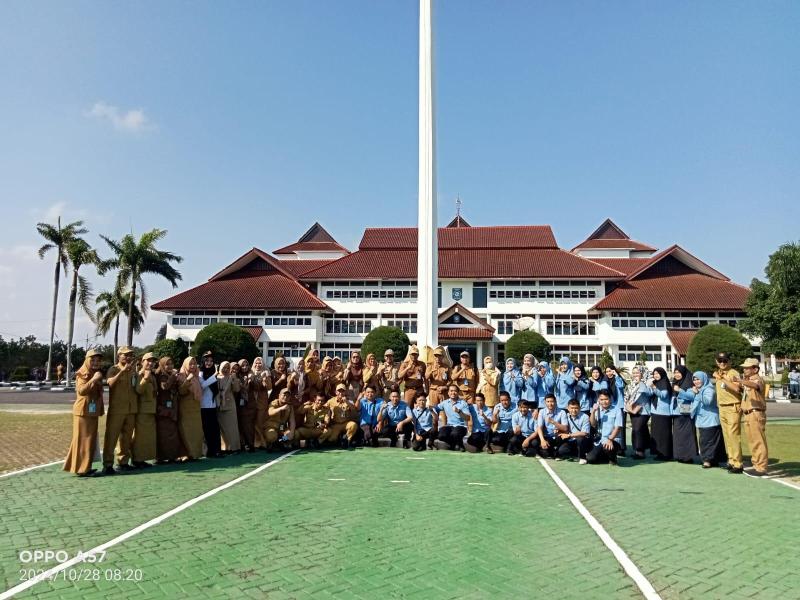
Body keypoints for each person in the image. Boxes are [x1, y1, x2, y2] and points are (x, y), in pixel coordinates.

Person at [63, 349, 104, 477]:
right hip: (83, 412)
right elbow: (81, 391)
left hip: (92, 411)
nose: (96, 363)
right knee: (83, 440)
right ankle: (82, 469)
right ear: (87, 360)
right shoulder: (82, 373)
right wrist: (94, 380)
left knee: (89, 440)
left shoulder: (94, 373)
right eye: (93, 360)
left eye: (98, 360)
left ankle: (85, 467)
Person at [729, 358, 768, 477]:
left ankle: (761, 467)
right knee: (752, 441)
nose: (745, 370)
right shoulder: (747, 380)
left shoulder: (757, 379)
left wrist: (740, 380)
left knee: (758, 441)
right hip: (748, 413)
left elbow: (755, 385)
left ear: (755, 369)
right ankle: (756, 465)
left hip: (756, 413)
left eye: (747, 368)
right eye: (744, 368)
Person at [103, 346, 139, 475]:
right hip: (117, 410)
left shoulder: (133, 370)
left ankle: (123, 462)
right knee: (111, 437)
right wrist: (122, 372)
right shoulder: (113, 369)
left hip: (131, 409)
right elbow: (110, 383)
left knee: (126, 437)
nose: (128, 357)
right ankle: (108, 464)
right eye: (125, 355)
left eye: (130, 355)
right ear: (119, 356)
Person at [713, 352, 744, 474]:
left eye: (725, 361)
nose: (722, 363)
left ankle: (738, 463)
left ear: (729, 361)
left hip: (732, 406)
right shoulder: (719, 373)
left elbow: (737, 388)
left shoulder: (733, 373)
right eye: (720, 361)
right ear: (716, 362)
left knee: (733, 435)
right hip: (722, 407)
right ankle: (731, 460)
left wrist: (721, 378)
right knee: (727, 436)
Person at [688, 371, 727, 469]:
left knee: (707, 442)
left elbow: (707, 402)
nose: (696, 381)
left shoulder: (709, 389)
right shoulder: (699, 389)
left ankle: (707, 460)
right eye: (694, 380)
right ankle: (712, 460)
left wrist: (698, 393)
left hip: (710, 420)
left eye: (698, 379)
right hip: (702, 420)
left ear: (704, 379)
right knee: (705, 441)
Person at [132, 352, 158, 468]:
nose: (151, 363)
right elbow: (139, 390)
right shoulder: (139, 375)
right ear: (142, 362)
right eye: (148, 361)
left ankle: (142, 458)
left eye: (153, 361)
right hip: (142, 410)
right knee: (140, 436)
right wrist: (145, 378)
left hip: (151, 410)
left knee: (147, 436)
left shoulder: (152, 375)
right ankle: (137, 459)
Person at [154, 356, 181, 463]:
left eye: (171, 364)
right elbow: (164, 387)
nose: (170, 366)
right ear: (162, 365)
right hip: (163, 409)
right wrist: (173, 376)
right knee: (163, 434)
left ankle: (171, 456)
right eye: (167, 364)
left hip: (172, 407)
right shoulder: (161, 375)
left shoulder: (169, 375)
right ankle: (161, 457)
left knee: (172, 433)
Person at [176, 356, 204, 461]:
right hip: (186, 409)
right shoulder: (181, 376)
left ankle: (195, 454)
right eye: (190, 364)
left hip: (196, 409)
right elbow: (181, 391)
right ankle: (187, 454)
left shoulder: (196, 376)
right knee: (186, 432)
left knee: (196, 432)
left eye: (194, 364)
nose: (193, 366)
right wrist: (188, 380)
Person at [587, 390, 623, 465]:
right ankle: (605, 457)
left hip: (613, 439)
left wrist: (610, 439)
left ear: (610, 399)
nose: (604, 402)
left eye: (606, 399)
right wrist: (593, 412)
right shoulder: (597, 410)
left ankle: (613, 458)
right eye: (601, 399)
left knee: (608, 447)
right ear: (598, 400)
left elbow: (618, 427)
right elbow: (593, 424)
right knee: (590, 459)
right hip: (600, 440)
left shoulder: (617, 410)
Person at [624, 366, 652, 460]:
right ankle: (637, 450)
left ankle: (640, 451)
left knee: (638, 429)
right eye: (634, 373)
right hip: (632, 410)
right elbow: (627, 395)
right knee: (638, 429)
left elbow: (649, 393)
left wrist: (640, 383)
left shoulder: (647, 383)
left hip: (644, 410)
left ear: (642, 374)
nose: (635, 375)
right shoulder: (631, 384)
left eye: (637, 373)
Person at [672, 365, 698, 464]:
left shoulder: (689, 383)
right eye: (675, 372)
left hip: (686, 410)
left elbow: (691, 396)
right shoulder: (675, 382)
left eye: (679, 372)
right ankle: (680, 455)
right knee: (678, 435)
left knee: (687, 434)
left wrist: (680, 390)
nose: (676, 374)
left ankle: (688, 457)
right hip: (676, 412)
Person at [320, 383, 359, 449]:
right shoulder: (330, 401)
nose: (341, 393)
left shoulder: (349, 400)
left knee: (353, 425)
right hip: (336, 424)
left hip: (346, 423)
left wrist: (347, 402)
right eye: (339, 391)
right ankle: (340, 439)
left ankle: (347, 440)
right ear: (336, 392)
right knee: (331, 439)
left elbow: (354, 411)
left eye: (342, 391)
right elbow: (323, 408)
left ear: (345, 392)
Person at [199, 351, 222, 459]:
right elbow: (203, 385)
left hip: (212, 405)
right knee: (207, 430)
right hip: (203, 406)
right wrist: (214, 375)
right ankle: (208, 451)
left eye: (211, 361)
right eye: (207, 361)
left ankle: (216, 451)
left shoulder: (213, 373)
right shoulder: (200, 373)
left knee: (215, 429)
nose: (209, 363)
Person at [434, 384, 471, 451]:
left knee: (455, 434)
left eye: (455, 391)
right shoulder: (445, 403)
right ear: (448, 393)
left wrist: (459, 411)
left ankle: (459, 444)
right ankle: (454, 444)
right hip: (450, 425)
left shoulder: (463, 403)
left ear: (458, 392)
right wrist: (429, 408)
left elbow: (467, 418)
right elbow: (435, 408)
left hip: (461, 426)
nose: (453, 393)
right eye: (451, 391)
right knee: (440, 435)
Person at [554, 399, 592, 463]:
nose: (574, 410)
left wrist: (569, 435)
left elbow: (585, 433)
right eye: (572, 408)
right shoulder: (566, 416)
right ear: (568, 408)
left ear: (580, 408)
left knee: (580, 439)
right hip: (571, 440)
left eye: (576, 408)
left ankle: (582, 457)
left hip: (583, 440)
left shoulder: (585, 417)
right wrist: (558, 430)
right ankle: (575, 453)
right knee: (561, 450)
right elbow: (563, 428)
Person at [648, 367, 673, 460]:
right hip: (655, 412)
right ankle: (659, 453)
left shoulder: (664, 383)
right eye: (654, 374)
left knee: (664, 435)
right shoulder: (655, 383)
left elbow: (663, 395)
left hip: (663, 413)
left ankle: (666, 454)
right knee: (656, 434)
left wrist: (654, 387)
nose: (656, 375)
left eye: (657, 373)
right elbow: (650, 394)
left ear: (662, 374)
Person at [216, 361, 242, 453]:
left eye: (228, 368)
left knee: (232, 427)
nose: (226, 369)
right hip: (219, 405)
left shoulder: (231, 378)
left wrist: (235, 380)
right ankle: (225, 447)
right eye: (224, 367)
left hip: (230, 405)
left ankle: (234, 447)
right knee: (222, 428)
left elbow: (236, 389)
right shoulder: (216, 377)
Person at [531, 393, 564, 458]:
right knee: (534, 443)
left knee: (559, 449)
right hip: (546, 437)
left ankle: (552, 451)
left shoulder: (562, 412)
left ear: (555, 402)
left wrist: (554, 422)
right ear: (545, 402)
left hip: (556, 438)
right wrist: (542, 440)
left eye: (552, 401)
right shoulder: (542, 411)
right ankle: (546, 450)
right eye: (548, 402)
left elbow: (565, 428)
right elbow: (539, 427)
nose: (550, 404)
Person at [235, 360, 257, 452]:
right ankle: (242, 444)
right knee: (240, 425)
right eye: (242, 365)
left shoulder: (251, 375)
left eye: (246, 365)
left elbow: (257, 387)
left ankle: (250, 444)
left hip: (250, 404)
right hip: (238, 404)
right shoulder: (237, 376)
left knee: (249, 425)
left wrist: (251, 380)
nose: (244, 367)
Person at [251, 356, 273, 449]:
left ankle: (261, 441)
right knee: (251, 422)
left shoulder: (266, 373)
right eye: (256, 363)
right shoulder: (251, 372)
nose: (258, 365)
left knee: (260, 422)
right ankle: (253, 441)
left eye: (260, 363)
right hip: (251, 401)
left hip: (262, 401)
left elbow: (269, 387)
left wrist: (265, 379)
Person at [604, 365, 626, 452]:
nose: (608, 373)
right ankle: (613, 446)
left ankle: (622, 448)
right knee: (612, 427)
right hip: (611, 406)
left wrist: (616, 375)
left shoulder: (618, 379)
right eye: (607, 371)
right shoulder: (606, 381)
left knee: (620, 427)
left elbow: (621, 386)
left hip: (620, 406)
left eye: (610, 371)